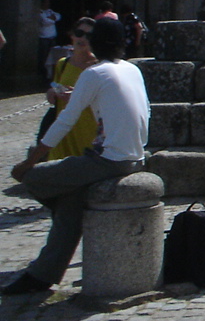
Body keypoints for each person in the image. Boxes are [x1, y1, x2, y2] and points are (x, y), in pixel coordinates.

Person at [3, 18, 149, 296]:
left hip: (108, 160)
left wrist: (28, 163)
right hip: (135, 155)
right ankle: (41, 275)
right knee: (71, 199)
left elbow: (63, 122)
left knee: (33, 180)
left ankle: (45, 263)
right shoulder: (132, 69)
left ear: (95, 44)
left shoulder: (94, 74)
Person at [44, 18, 100, 161]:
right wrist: (52, 92)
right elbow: (56, 85)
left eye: (89, 35)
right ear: (72, 35)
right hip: (63, 130)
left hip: (88, 129)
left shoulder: (99, 68)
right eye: (79, 33)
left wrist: (79, 96)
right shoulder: (63, 64)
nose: (82, 38)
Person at [37, 3, 59, 78]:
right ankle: (43, 72)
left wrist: (52, 18)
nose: (47, 5)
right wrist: (53, 19)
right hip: (44, 37)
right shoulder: (40, 12)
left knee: (52, 57)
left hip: (52, 37)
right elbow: (45, 21)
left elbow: (58, 16)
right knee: (44, 56)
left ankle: (50, 74)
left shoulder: (50, 11)